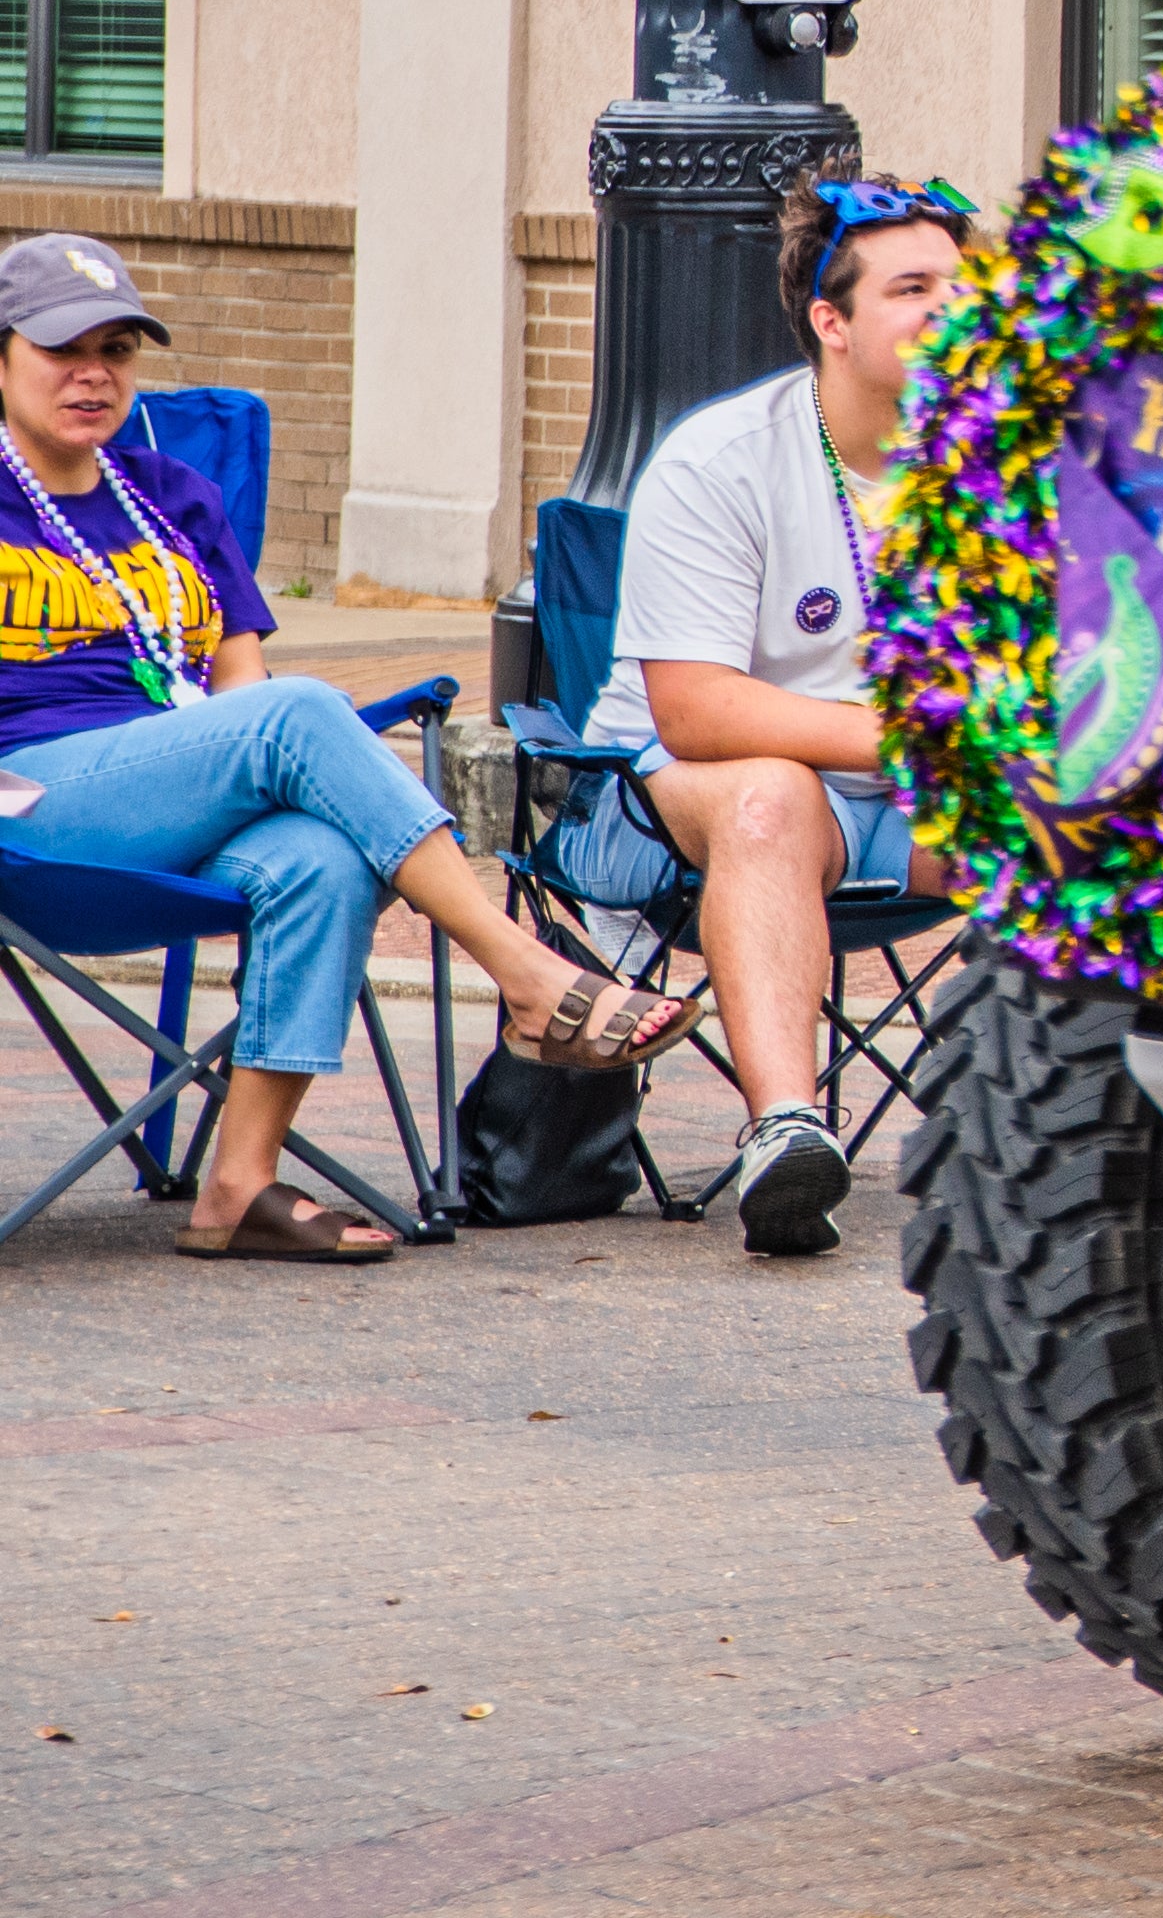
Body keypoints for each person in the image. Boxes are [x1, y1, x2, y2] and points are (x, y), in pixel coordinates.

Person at [0, 234, 692, 1255]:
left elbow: (234, 691)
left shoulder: (174, 497)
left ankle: (237, 1184)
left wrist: (248, 767)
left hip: (180, 784)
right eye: (63, 348)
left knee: (320, 857)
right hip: (32, 800)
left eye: (118, 348)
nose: (95, 373)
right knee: (303, 712)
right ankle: (529, 975)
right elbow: (267, 716)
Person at [584, 174, 979, 1254]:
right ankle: (786, 1130)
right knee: (770, 796)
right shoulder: (722, 460)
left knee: (1101, 825)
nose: (953, 309)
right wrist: (920, 742)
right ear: (831, 319)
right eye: (913, 288)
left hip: (905, 798)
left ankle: (1063, 1135)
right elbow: (697, 707)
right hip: (670, 797)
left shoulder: (1009, 466)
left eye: (965, 284)